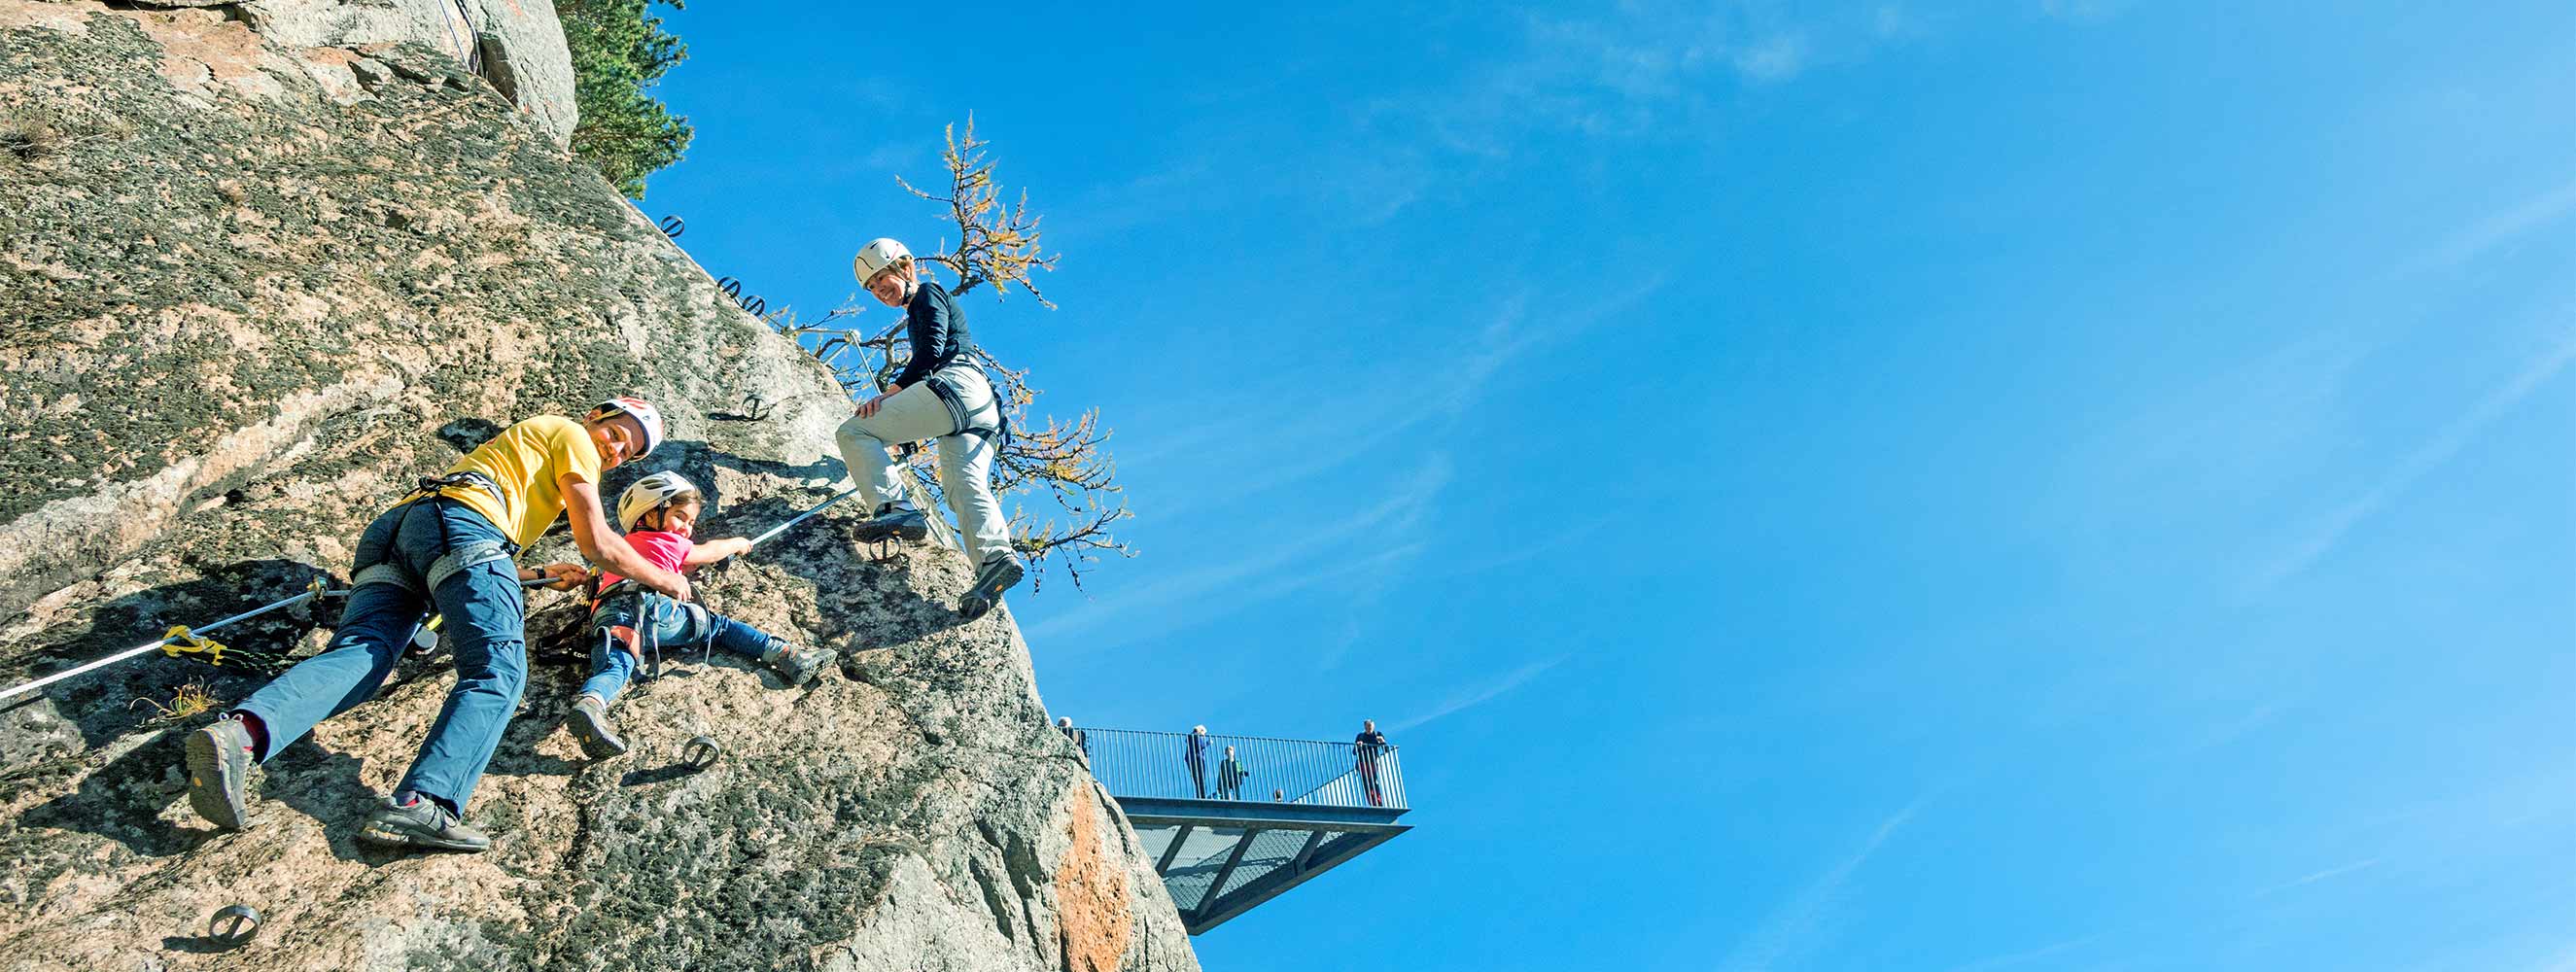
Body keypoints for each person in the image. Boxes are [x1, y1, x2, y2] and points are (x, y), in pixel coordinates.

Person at [183, 399, 685, 852]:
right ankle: (424, 802)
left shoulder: (524, 455)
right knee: (498, 670)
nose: (618, 452)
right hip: (464, 526)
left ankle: (241, 735)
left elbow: (463, 559)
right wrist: (665, 578)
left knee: (367, 653)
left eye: (630, 454)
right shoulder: (571, 435)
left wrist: (538, 574)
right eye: (621, 433)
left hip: (404, 531)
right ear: (597, 415)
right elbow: (597, 543)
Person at [563, 473, 834, 759]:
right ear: (650, 513)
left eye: (691, 523)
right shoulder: (665, 540)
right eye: (680, 517)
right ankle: (786, 655)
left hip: (611, 615)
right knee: (718, 627)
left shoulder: (621, 547)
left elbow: (675, 566)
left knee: (615, 666)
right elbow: (705, 551)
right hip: (653, 608)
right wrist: (736, 543)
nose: (686, 530)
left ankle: (591, 703)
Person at [834, 237, 1027, 619]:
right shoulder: (920, 303)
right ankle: (994, 560)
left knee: (854, 432)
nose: (878, 290)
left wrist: (890, 395)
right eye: (871, 288)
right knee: (962, 487)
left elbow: (932, 348)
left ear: (905, 268)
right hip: (982, 413)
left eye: (881, 279)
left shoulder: (927, 295)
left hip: (956, 386)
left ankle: (893, 507)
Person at [1353, 719, 1390, 808]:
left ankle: (1378, 802)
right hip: (1362, 763)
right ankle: (1371, 802)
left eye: (1370, 726)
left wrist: (1382, 741)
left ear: (1373, 726)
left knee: (1374, 782)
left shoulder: (1378, 734)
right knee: (1366, 783)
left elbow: (1386, 750)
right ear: (1364, 727)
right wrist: (1358, 745)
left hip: (1372, 762)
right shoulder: (1360, 736)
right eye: (1367, 726)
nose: (1369, 728)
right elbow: (1354, 752)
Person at [1184, 725, 1209, 798]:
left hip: (1191, 760)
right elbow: (1200, 746)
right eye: (1205, 733)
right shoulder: (1196, 736)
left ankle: (1199, 797)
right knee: (1202, 779)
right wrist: (1208, 743)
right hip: (1198, 759)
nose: (1204, 735)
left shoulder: (1191, 738)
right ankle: (1203, 797)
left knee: (1197, 780)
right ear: (1201, 731)